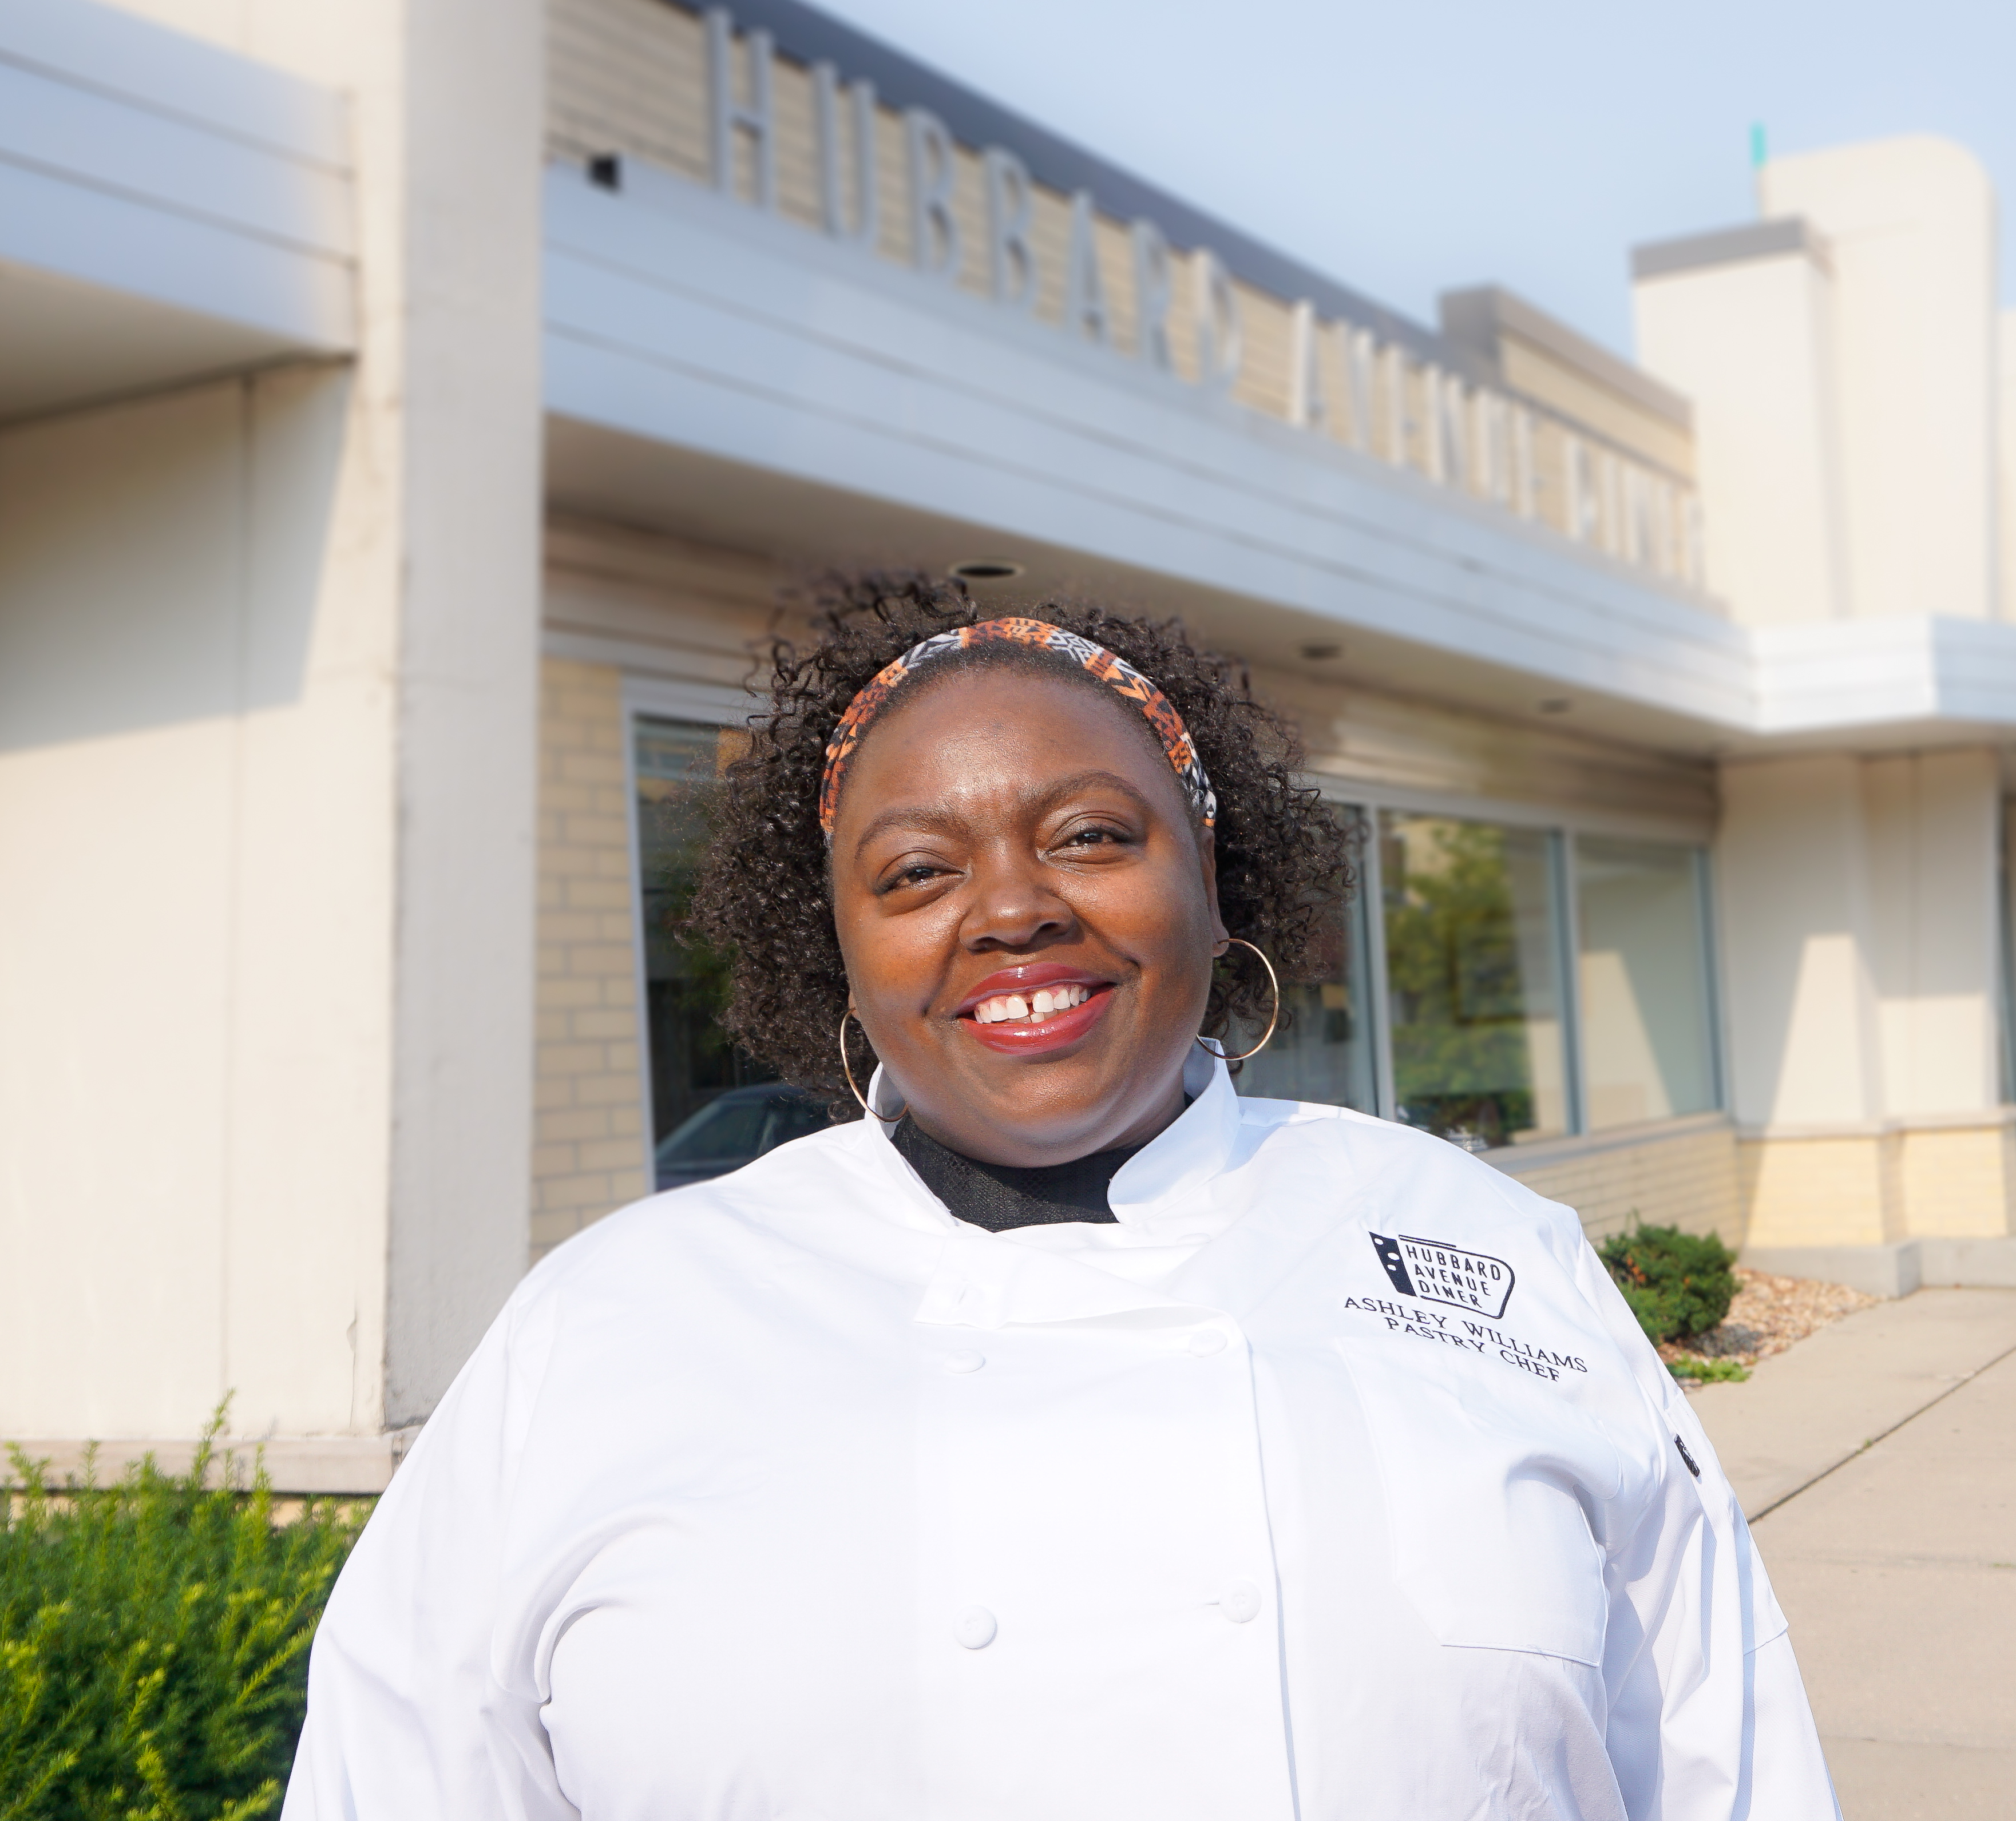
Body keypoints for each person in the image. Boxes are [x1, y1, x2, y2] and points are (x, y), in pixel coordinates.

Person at [284, 579, 1840, 1820]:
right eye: (914, 874)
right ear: (837, 949)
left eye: (1090, 837)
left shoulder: (1485, 1252)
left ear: (1211, 877)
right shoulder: (608, 1326)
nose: (1014, 908)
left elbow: (1729, 1765)